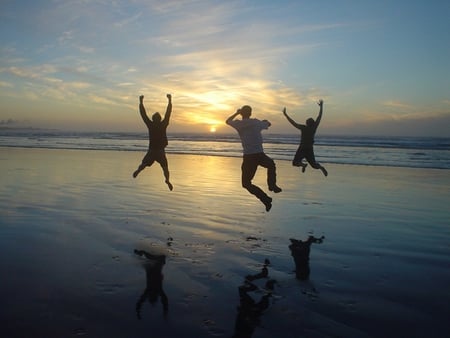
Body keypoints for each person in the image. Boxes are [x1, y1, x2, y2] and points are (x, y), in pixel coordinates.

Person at [226, 105, 282, 212]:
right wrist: (265, 122)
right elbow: (268, 124)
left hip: (249, 157)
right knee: (271, 164)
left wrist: (236, 113)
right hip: (259, 154)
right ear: (250, 113)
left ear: (242, 113)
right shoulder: (256, 122)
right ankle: (272, 185)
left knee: (246, 184)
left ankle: (266, 199)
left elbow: (227, 121)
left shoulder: (239, 124)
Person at [133, 94, 173, 190]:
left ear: (153, 119)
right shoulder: (163, 124)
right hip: (160, 151)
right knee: (165, 168)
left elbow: (143, 114)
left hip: (151, 151)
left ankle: (138, 170)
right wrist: (169, 101)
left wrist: (141, 102)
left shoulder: (150, 125)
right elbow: (168, 113)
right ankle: (167, 180)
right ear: (160, 119)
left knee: (144, 164)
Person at [282, 100, 328, 176]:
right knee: (314, 165)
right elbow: (319, 116)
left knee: (295, 163)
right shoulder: (314, 128)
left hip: (302, 148)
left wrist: (286, 115)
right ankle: (321, 167)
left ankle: (303, 165)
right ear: (312, 123)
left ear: (307, 123)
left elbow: (293, 123)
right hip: (309, 149)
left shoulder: (303, 128)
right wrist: (321, 107)